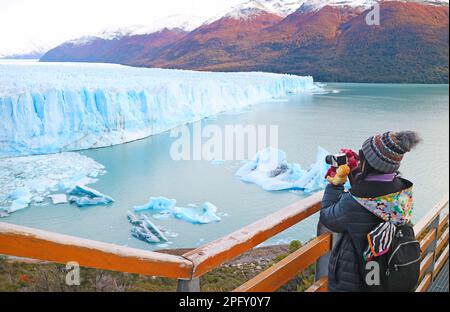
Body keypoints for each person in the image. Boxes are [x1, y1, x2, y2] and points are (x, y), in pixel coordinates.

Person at [320, 131, 422, 292]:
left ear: (367, 162)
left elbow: (327, 216)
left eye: (362, 156)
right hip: (383, 277)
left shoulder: (352, 202)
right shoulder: (401, 192)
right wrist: (355, 171)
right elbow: (372, 192)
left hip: (354, 281)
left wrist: (335, 182)